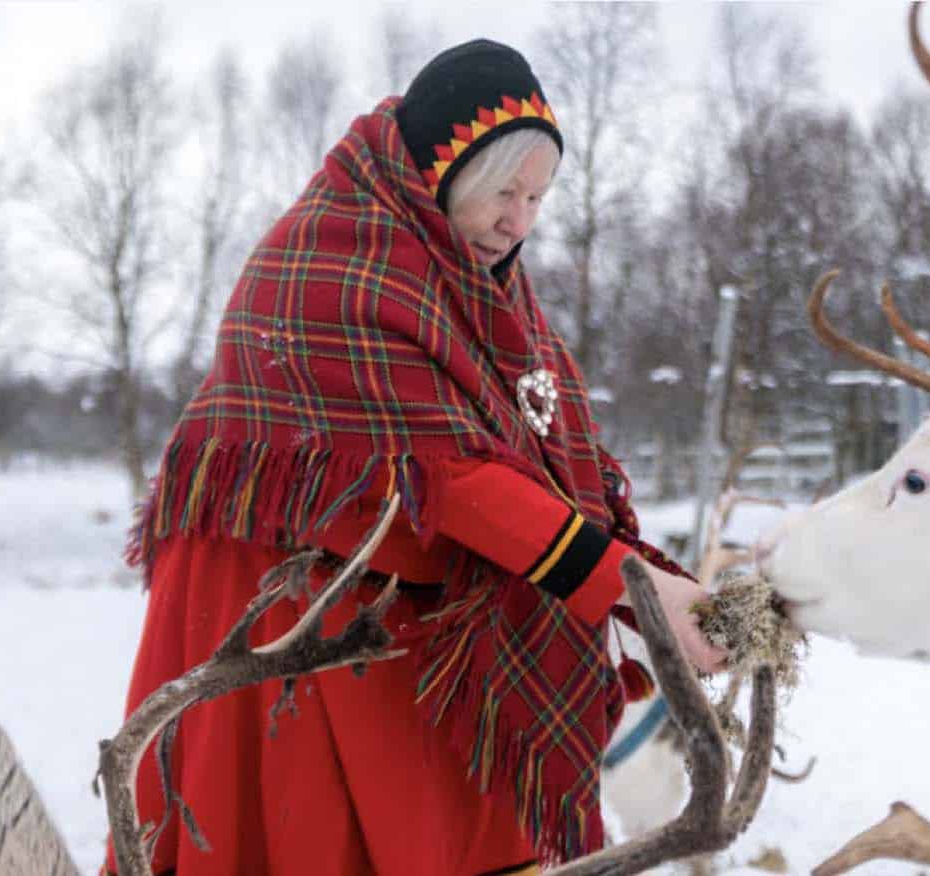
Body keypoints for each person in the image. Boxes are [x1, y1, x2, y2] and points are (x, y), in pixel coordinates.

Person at [107, 38, 724, 876]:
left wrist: (647, 582)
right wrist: (634, 588)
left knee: (440, 823)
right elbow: (453, 478)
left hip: (396, 600)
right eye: (503, 191)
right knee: (312, 833)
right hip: (286, 610)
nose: (520, 221)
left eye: (538, 197)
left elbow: (537, 454)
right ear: (440, 175)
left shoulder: (478, 281)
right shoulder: (336, 266)